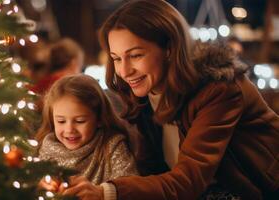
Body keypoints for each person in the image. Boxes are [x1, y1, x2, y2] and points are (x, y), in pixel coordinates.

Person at [60, 0, 279, 200]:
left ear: (169, 49)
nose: (124, 71)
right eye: (117, 58)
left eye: (135, 55)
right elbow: (150, 169)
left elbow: (188, 181)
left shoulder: (219, 89)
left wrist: (108, 191)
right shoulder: (143, 92)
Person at [36, 74, 138, 197]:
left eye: (80, 121)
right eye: (61, 121)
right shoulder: (44, 150)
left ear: (99, 118)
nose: (69, 130)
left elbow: (130, 188)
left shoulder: (112, 146)